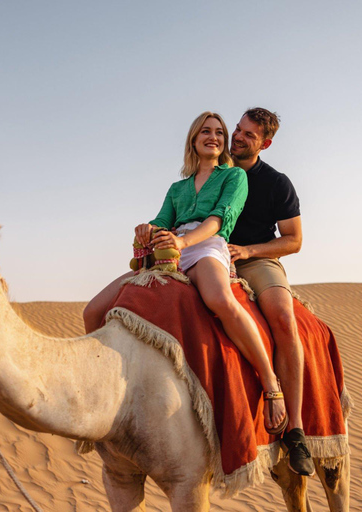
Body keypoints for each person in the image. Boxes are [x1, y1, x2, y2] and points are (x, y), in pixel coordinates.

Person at [83, 111, 288, 436]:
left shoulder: (234, 178)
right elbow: (162, 221)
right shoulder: (177, 188)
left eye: (220, 132)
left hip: (207, 244)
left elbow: (220, 219)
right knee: (93, 310)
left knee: (220, 299)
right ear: (193, 139)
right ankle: (98, 389)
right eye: (206, 131)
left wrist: (183, 240)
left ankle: (271, 383)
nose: (215, 137)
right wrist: (148, 230)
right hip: (171, 248)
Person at [227, 107, 314, 476]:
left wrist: (249, 251)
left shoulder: (277, 183)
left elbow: (293, 240)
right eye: (238, 129)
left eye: (248, 134)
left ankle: (294, 430)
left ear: (266, 142)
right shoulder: (215, 170)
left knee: (282, 317)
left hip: (256, 259)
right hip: (210, 254)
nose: (238, 137)